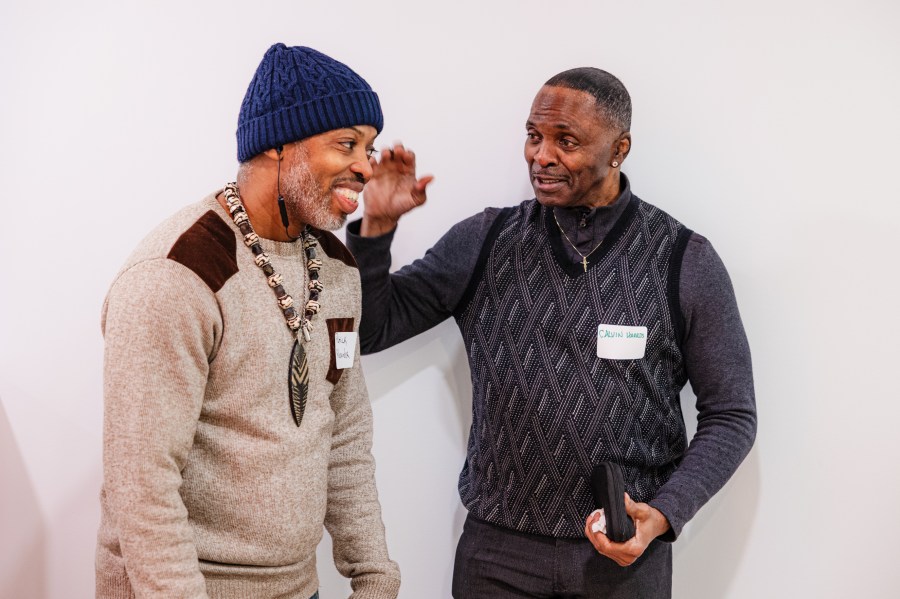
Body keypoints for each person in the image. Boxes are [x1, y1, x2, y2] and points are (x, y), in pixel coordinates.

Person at [347, 67, 757, 598]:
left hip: (623, 560)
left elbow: (732, 415)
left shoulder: (683, 259)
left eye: (566, 141)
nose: (540, 155)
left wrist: (661, 515)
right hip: (497, 558)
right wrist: (376, 228)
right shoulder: (487, 239)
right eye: (533, 136)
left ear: (619, 149)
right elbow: (373, 328)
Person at [96, 43, 401, 598]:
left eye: (370, 147)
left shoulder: (336, 270)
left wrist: (375, 576)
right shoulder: (178, 273)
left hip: (295, 587)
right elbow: (142, 486)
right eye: (347, 144)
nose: (366, 166)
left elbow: (345, 436)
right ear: (280, 144)